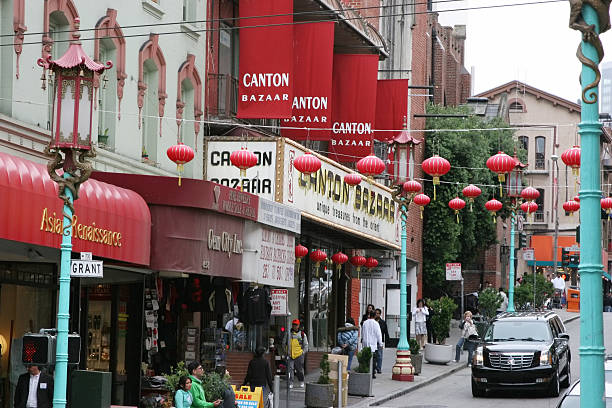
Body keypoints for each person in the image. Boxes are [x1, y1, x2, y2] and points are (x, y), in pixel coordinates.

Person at [361, 310, 383, 378]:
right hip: (373, 344)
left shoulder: (365, 323)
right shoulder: (376, 323)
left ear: (369, 315)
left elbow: (362, 332)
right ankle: (372, 372)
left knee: (366, 358)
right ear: (375, 316)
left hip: (366, 342)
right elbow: (378, 334)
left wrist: (362, 340)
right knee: (374, 359)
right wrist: (381, 343)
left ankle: (366, 370)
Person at [287, 319, 308, 389]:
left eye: (296, 324)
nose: (294, 326)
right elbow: (284, 343)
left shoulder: (302, 334)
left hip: (299, 355)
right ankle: (291, 382)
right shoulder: (288, 333)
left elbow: (306, 345)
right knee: (290, 369)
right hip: (290, 355)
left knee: (299, 370)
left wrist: (302, 352)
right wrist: (286, 351)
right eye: (293, 324)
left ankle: (301, 381)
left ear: (298, 325)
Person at [374, 309, 390, 374]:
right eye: (376, 313)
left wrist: (387, 341)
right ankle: (374, 367)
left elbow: (386, 332)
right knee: (374, 355)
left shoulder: (383, 322)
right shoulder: (373, 322)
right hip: (373, 341)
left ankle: (379, 368)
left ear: (380, 314)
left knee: (379, 355)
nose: (377, 314)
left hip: (380, 341)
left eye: (378, 313)